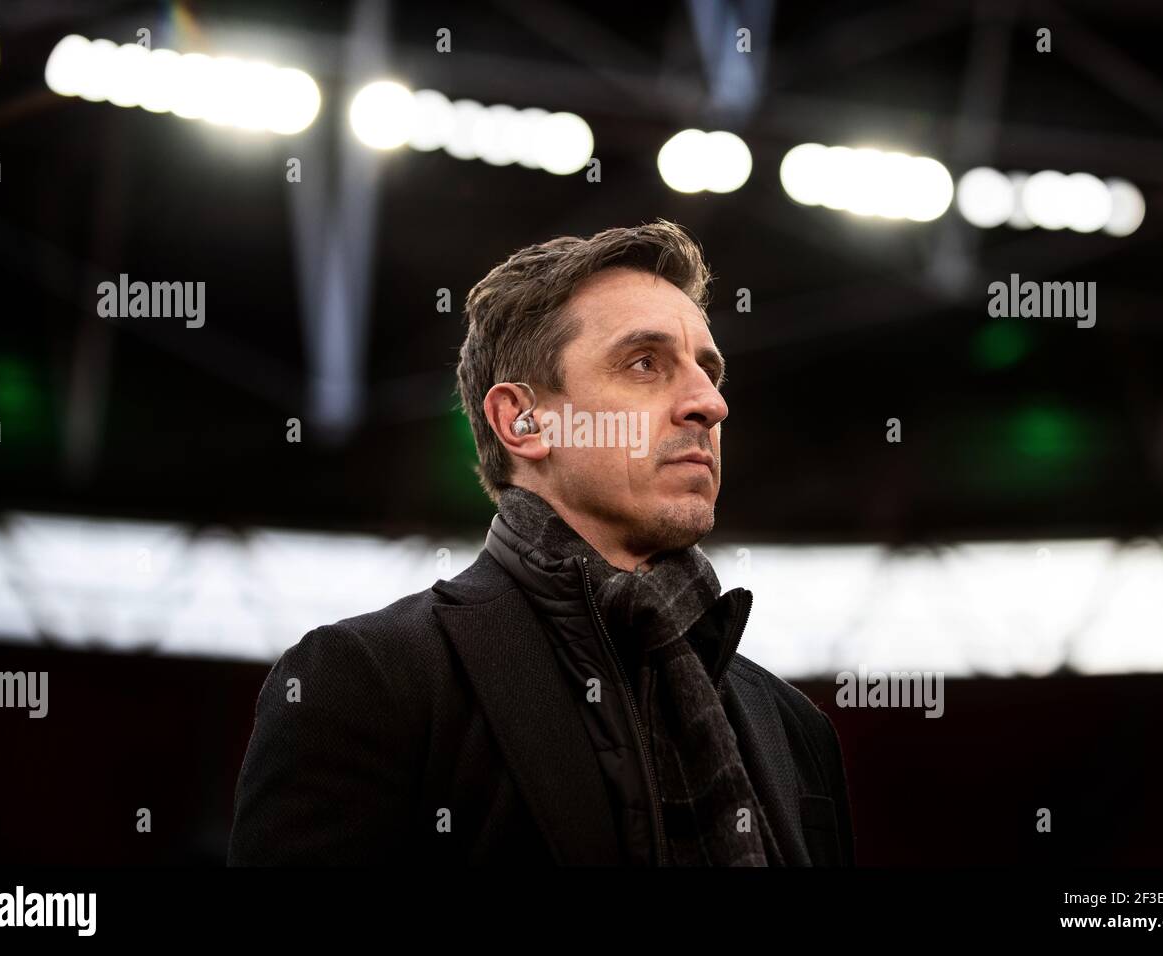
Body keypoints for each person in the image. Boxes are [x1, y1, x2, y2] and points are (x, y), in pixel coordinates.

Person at [228, 220, 854, 866]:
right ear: (522, 422)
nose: (708, 404)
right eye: (645, 363)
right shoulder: (364, 684)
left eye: (709, 371)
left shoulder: (794, 730)